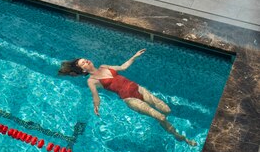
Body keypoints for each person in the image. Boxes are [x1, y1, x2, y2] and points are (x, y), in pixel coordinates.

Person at [59, 49, 196, 146]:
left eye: (85, 59)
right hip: (130, 99)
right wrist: (96, 106)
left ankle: (166, 127)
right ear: (83, 70)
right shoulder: (92, 81)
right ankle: (179, 137)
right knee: (161, 117)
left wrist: (134, 56)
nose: (86, 61)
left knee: (167, 110)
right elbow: (96, 96)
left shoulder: (104, 66)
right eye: (83, 63)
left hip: (138, 88)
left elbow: (122, 67)